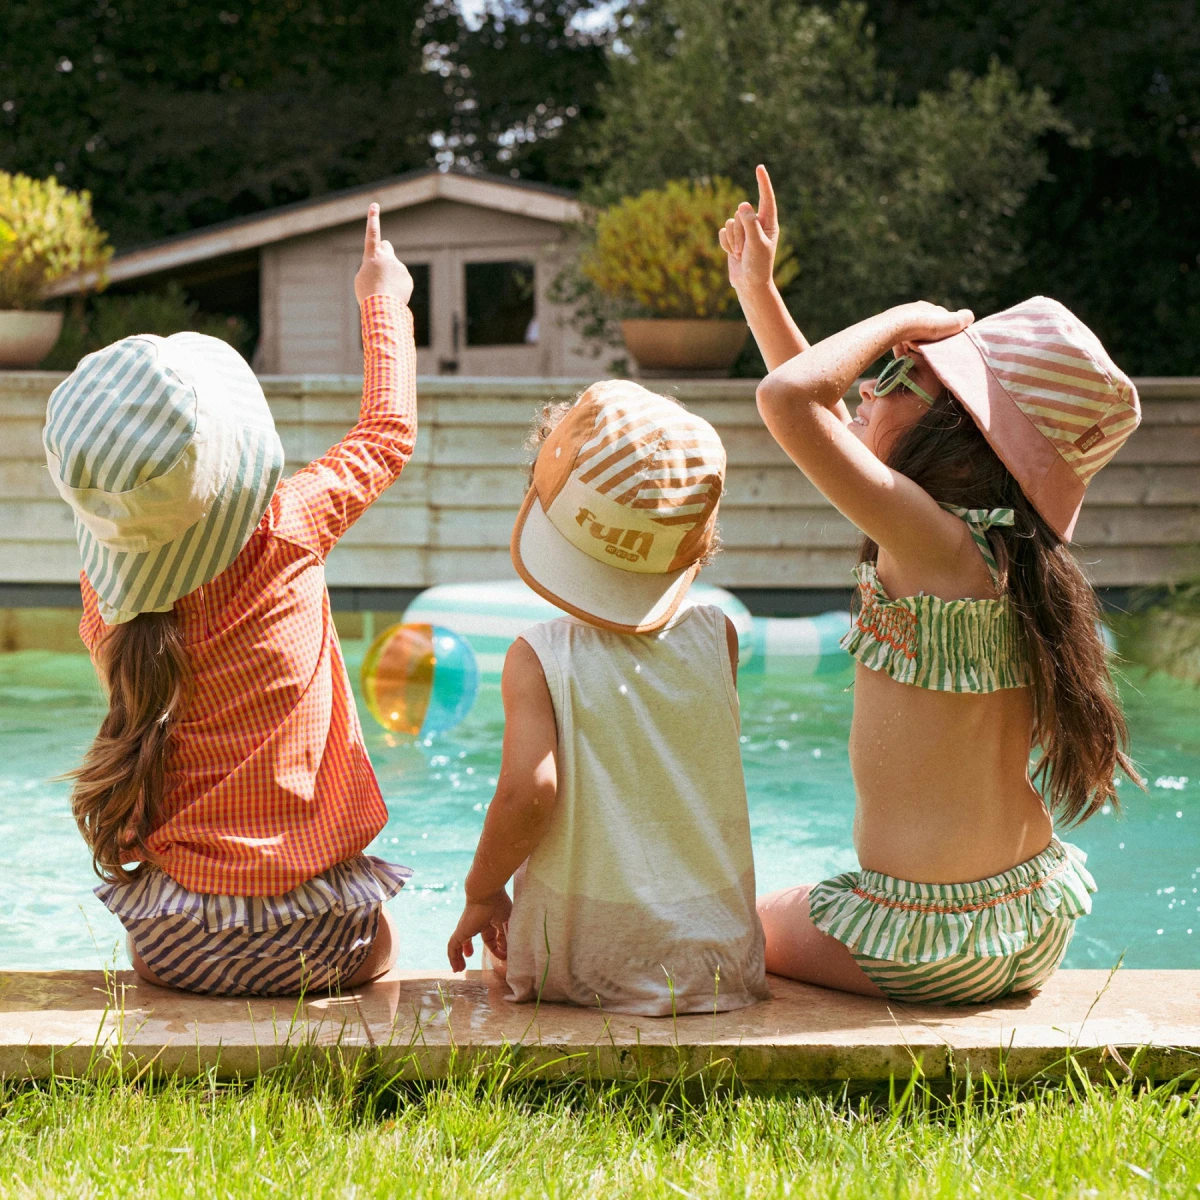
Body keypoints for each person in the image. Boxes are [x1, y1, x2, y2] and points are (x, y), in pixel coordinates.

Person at [719, 166, 1141, 1005]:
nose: (866, 386)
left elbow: (790, 402)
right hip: (1030, 919)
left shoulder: (932, 546)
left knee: (715, 917)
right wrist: (757, 293)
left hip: (923, 938)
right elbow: (817, 410)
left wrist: (907, 320)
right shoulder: (1002, 554)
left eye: (897, 379)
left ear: (957, 434)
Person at [47, 205, 418, 996]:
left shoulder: (107, 600)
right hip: (325, 941)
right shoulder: (290, 526)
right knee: (391, 939)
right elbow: (386, 433)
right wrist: (384, 299)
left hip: (172, 946)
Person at [446, 381, 769, 1016]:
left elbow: (528, 795)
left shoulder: (537, 655)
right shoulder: (719, 637)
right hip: (719, 961)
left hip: (578, 961)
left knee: (496, 957)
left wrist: (482, 891)